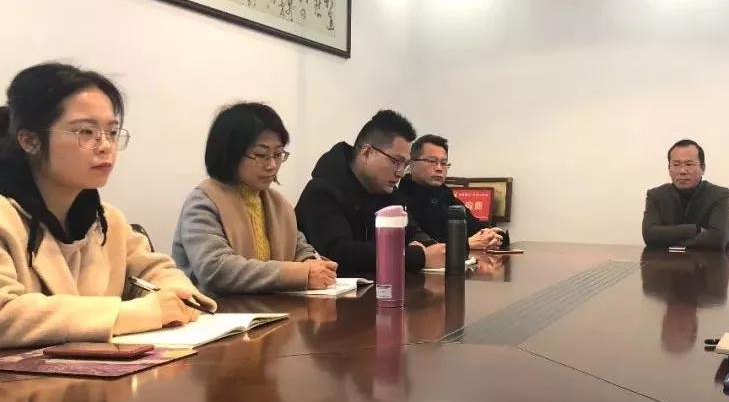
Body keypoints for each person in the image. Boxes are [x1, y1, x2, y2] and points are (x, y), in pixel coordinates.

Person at [0, 63, 215, 349]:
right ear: (30, 141)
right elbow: (6, 314)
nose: (105, 146)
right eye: (86, 132)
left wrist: (176, 296)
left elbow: (155, 271)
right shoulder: (6, 217)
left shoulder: (108, 220)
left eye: (112, 132)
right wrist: (138, 314)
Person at [172, 102, 339, 295]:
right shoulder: (203, 202)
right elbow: (215, 269)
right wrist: (300, 274)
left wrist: (312, 263)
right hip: (213, 310)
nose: (272, 165)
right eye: (261, 155)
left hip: (269, 309)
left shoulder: (278, 204)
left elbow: (299, 248)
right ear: (230, 154)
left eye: (278, 154)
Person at [295, 110, 444, 276]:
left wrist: (431, 246)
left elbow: (411, 232)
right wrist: (417, 256)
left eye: (405, 164)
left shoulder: (387, 192)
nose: (401, 173)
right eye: (396, 162)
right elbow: (338, 255)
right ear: (366, 152)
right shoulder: (321, 192)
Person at [397, 134, 503, 250]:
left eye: (443, 163)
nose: (439, 168)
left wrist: (494, 236)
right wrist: (465, 244)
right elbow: (422, 243)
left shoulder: (446, 196)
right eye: (432, 161)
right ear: (412, 163)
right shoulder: (398, 200)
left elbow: (476, 228)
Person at [642, 139, 729, 249]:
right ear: (669, 168)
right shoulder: (656, 195)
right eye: (676, 164)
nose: (682, 171)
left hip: (704, 260)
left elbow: (718, 239)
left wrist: (668, 240)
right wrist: (695, 229)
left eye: (689, 164)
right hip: (663, 260)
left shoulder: (719, 195)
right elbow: (649, 235)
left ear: (703, 168)